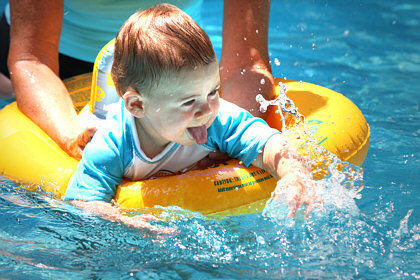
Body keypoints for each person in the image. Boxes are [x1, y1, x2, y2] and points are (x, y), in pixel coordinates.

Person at [65, 4, 315, 229]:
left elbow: (267, 142)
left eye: (213, 91)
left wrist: (292, 173)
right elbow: (81, 201)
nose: (206, 110)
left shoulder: (216, 118)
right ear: (137, 105)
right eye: (188, 102)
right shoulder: (113, 144)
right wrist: (122, 221)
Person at [0, 0, 275, 160]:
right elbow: (31, 60)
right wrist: (74, 139)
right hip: (56, 62)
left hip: (179, 67)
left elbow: (247, 63)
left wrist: (224, 150)